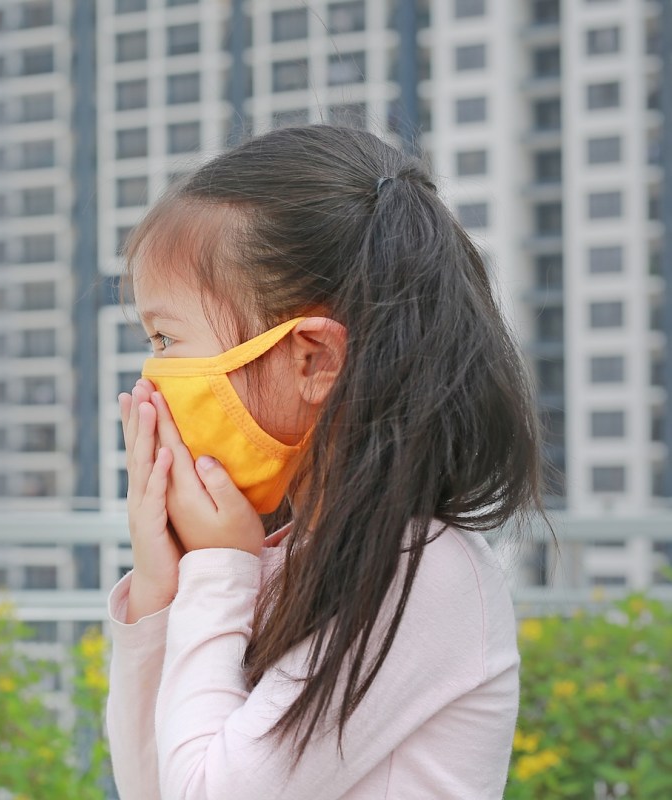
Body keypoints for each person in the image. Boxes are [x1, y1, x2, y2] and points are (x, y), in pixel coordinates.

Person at [105, 124, 551, 799]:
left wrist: (217, 569)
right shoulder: (291, 555)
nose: (150, 383)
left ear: (313, 360)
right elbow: (153, 786)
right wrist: (160, 588)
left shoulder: (416, 570)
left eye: (166, 338)